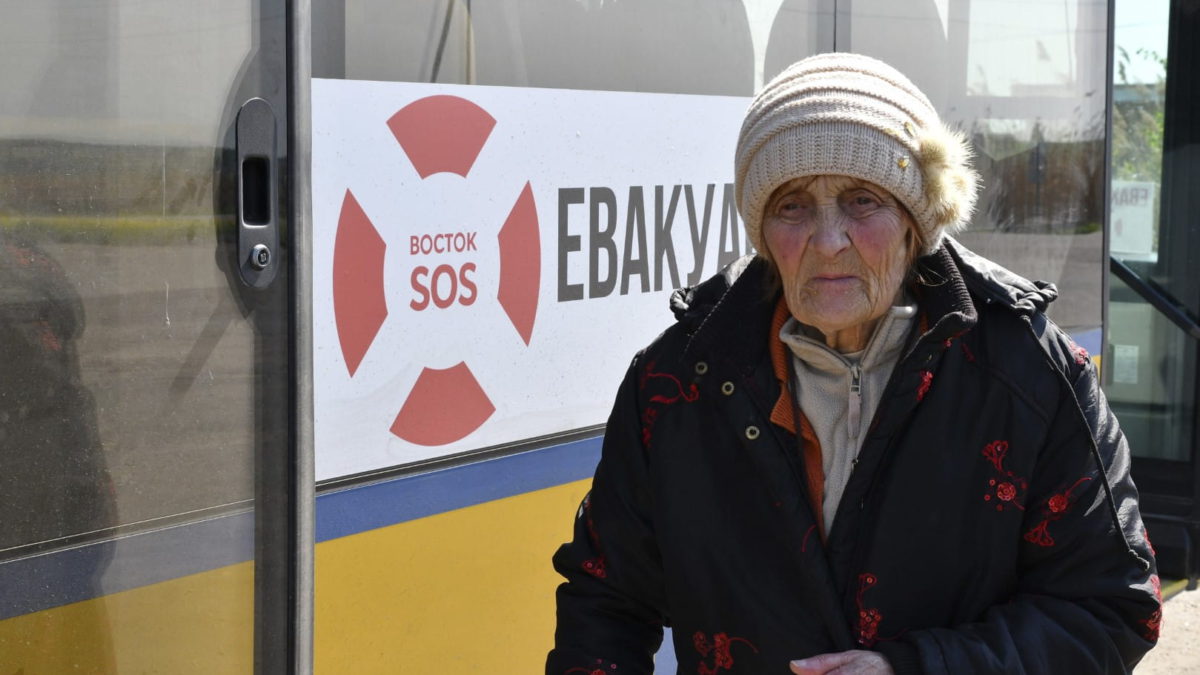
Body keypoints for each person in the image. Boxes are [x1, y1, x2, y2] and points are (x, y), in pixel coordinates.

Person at [546, 53, 1161, 674]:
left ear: (916, 224)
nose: (828, 238)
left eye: (863, 201)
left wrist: (916, 669)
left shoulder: (1030, 375)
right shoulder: (676, 383)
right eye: (792, 206)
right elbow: (606, 601)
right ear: (762, 232)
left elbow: (1109, 609)